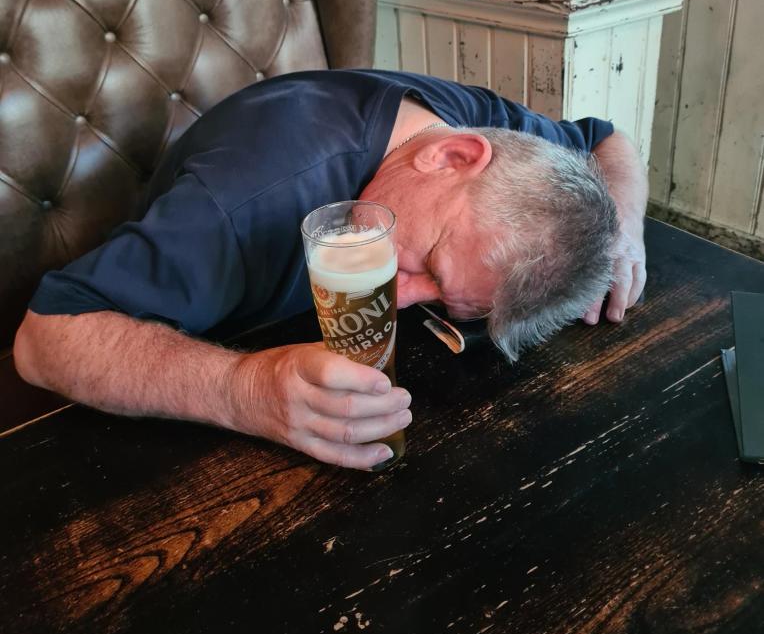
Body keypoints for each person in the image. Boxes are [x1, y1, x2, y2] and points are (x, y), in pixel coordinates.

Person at [14, 69, 647, 470]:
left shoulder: (492, 143)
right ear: (451, 157)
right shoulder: (242, 204)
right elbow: (43, 340)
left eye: (439, 295)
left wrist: (618, 233)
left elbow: (605, 139)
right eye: (428, 263)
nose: (401, 299)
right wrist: (245, 389)